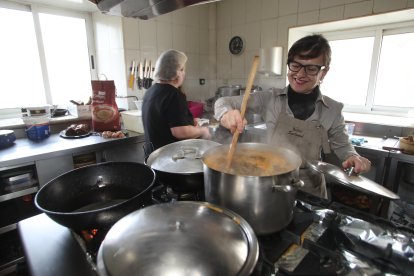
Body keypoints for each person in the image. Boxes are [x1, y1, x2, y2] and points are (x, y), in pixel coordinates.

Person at [214, 34, 371, 198]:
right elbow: (223, 101)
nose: (300, 74)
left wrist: (354, 157)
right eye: (295, 65)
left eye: (311, 69)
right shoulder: (269, 98)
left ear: (323, 73)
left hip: (311, 192)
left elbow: (344, 146)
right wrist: (226, 113)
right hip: (272, 187)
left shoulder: (332, 110)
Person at [142, 49, 210, 154]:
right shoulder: (174, 94)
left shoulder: (150, 91)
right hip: (169, 160)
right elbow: (180, 132)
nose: (184, 74)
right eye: (182, 70)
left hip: (152, 157)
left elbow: (164, 122)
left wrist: (189, 121)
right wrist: (202, 131)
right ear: (176, 72)